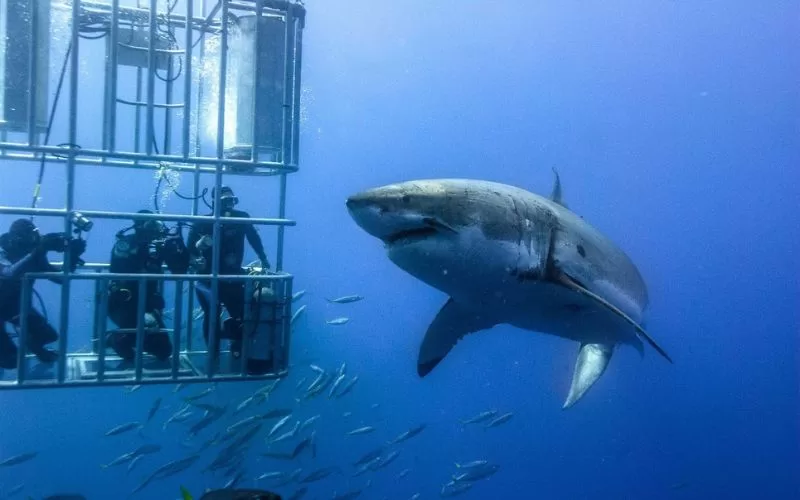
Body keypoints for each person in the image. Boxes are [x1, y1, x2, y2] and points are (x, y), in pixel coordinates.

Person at [187, 186, 270, 358]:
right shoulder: (202, 222)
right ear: (214, 202)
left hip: (233, 277)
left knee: (241, 315)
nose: (229, 204)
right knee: (211, 315)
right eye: (225, 201)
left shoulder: (242, 218)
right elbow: (189, 250)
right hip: (207, 279)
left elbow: (254, 238)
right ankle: (213, 354)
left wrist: (263, 257)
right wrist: (196, 259)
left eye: (232, 200)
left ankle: (237, 348)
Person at [0, 218, 86, 368]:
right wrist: (38, 251)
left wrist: (72, 258)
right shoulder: (3, 248)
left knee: (49, 335)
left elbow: (60, 279)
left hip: (17, 307)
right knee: (10, 362)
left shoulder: (34, 253)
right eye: (32, 236)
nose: (35, 239)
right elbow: (8, 273)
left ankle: (33, 346)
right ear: (18, 237)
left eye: (36, 235)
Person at [106, 210, 189, 363]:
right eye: (152, 224)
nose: (156, 228)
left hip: (146, 305)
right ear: (139, 226)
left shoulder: (160, 247)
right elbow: (117, 271)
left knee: (164, 351)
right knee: (128, 350)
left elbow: (179, 271)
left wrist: (177, 245)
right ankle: (114, 339)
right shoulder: (125, 244)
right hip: (122, 303)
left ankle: (136, 338)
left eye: (157, 223)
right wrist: (141, 252)